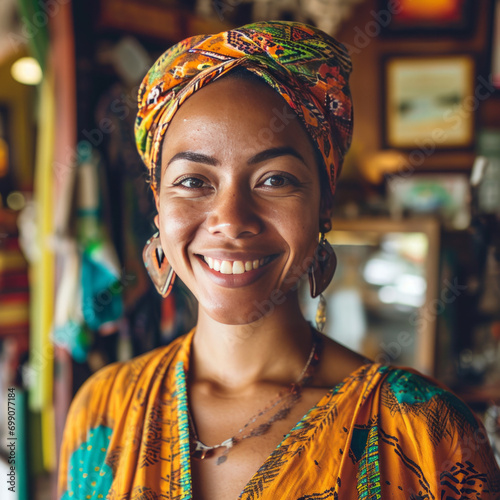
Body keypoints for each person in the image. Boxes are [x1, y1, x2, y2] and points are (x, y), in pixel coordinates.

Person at [58, 21, 500, 500]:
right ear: (158, 205)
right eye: (193, 181)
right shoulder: (103, 409)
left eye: (274, 180)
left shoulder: (425, 434)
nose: (230, 220)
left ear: (323, 205)